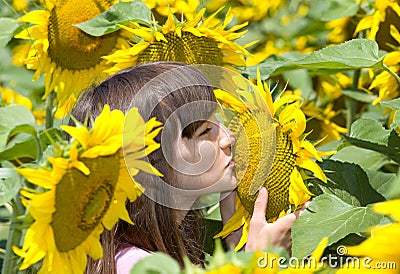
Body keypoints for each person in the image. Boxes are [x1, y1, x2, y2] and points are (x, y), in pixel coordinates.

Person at [71, 62, 303, 274]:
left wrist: (237, 251)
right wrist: (258, 263)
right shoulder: (138, 268)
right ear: (153, 162)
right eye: (204, 132)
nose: (228, 138)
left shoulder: (159, 253)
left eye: (217, 121)